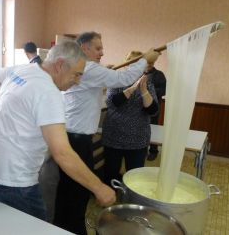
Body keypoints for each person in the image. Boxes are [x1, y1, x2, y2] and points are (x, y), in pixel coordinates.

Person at [0, 41, 116, 222]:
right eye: (76, 74)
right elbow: (63, 153)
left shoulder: (23, 70)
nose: (77, 81)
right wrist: (99, 187)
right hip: (16, 184)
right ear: (59, 65)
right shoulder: (48, 92)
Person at [53, 31, 160, 235]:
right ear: (84, 48)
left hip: (73, 135)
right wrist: (146, 59)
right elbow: (123, 78)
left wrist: (106, 73)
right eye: (98, 48)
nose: (102, 52)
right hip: (76, 139)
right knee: (77, 190)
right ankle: (72, 228)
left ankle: (64, 227)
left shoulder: (88, 69)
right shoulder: (89, 68)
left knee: (69, 189)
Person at [102, 72, 159, 185]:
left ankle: (131, 199)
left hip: (138, 139)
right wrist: (133, 88)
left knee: (135, 175)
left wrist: (143, 91)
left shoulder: (148, 85)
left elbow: (153, 111)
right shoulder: (116, 82)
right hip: (113, 137)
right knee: (110, 172)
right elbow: (112, 102)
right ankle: (109, 196)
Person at [146, 65, 166, 161]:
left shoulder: (159, 75)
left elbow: (164, 91)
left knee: (153, 128)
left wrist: (148, 89)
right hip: (140, 107)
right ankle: (142, 149)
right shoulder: (139, 73)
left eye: (150, 62)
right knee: (141, 127)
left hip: (154, 106)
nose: (147, 64)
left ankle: (153, 151)